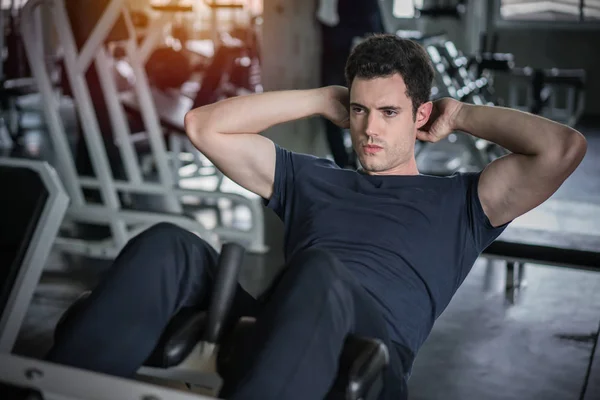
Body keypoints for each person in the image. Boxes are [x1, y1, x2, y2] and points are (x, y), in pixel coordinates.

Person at [46, 34, 587, 399]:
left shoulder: (463, 203)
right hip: (284, 322)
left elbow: (562, 149)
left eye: (390, 113)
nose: (370, 129)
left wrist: (462, 115)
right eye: (359, 110)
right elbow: (203, 126)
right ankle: (59, 387)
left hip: (371, 350)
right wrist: (315, 97)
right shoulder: (312, 178)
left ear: (420, 115)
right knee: (169, 243)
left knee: (318, 272)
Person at [318, 0, 385, 168]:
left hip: (361, 52)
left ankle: (357, 161)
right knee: (333, 106)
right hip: (341, 52)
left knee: (365, 108)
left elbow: (377, 23)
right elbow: (326, 18)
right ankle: (345, 163)